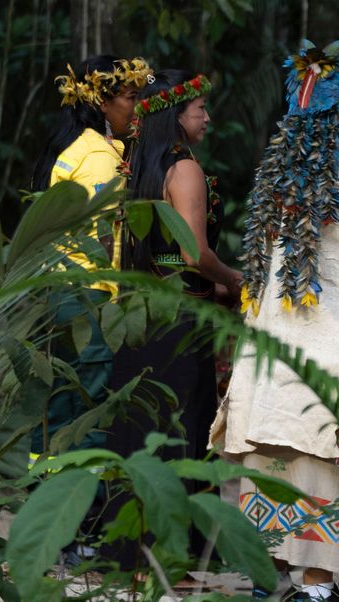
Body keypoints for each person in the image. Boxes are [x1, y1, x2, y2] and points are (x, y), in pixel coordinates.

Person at [210, 40, 339, 601]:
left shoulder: (277, 179)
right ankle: (318, 587)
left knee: (274, 449)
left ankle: (264, 574)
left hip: (275, 341)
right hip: (337, 342)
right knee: (328, 455)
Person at [105, 69, 241, 569]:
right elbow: (192, 253)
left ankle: (132, 548)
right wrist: (234, 279)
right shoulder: (183, 169)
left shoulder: (139, 163)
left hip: (140, 311)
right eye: (199, 108)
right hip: (180, 313)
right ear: (176, 114)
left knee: (140, 421)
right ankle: (179, 552)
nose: (206, 116)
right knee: (184, 422)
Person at [29, 55, 152, 457]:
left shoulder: (69, 148)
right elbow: (101, 234)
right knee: (89, 408)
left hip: (55, 288)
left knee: (56, 403)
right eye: (131, 97)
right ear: (103, 103)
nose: (136, 107)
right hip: (88, 294)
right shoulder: (101, 158)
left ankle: (41, 493)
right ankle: (87, 509)